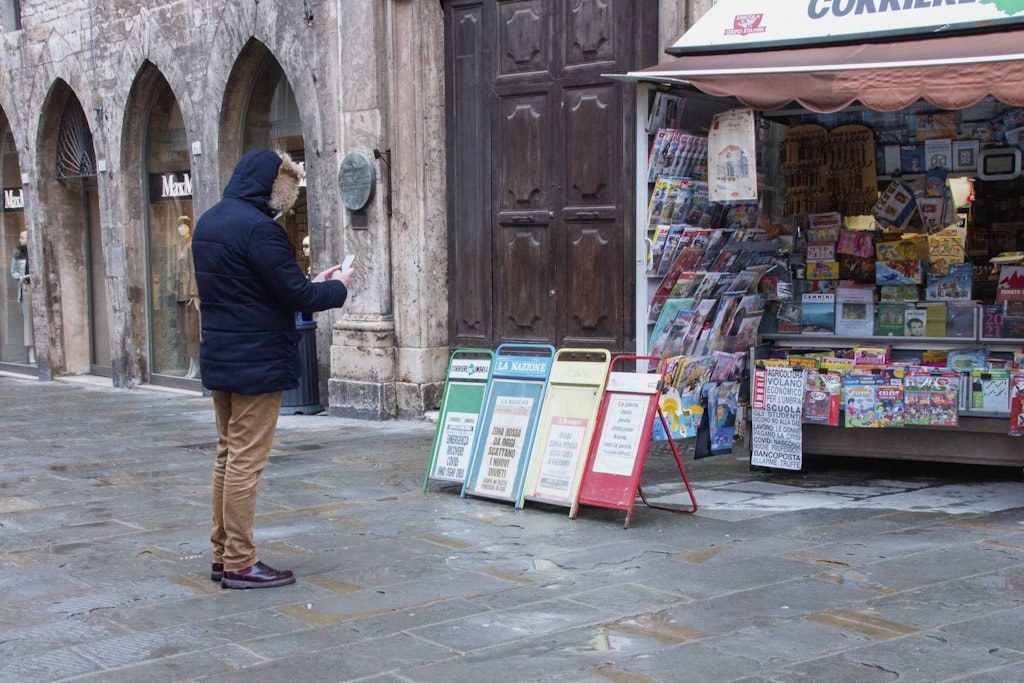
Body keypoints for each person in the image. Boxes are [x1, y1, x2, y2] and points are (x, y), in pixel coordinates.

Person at [192, 149, 354, 589]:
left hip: (222, 357)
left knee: (227, 457)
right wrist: (336, 287)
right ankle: (241, 562)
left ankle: (222, 554)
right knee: (245, 462)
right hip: (256, 362)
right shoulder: (260, 230)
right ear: (270, 186)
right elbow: (296, 296)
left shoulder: (209, 222)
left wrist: (311, 284)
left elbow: (263, 289)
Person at [174, 216, 200, 378]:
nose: (182, 229)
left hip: (190, 295)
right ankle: (191, 364)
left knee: (192, 331)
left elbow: (194, 269)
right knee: (184, 331)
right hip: (181, 294)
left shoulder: (191, 246)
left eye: (185, 226)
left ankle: (196, 364)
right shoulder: (179, 246)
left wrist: (194, 292)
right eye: (180, 226)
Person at [10, 230, 35, 364]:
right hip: (26, 288)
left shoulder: (36, 251)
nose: (20, 240)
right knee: (28, 322)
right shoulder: (18, 253)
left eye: (22, 237)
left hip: (37, 287)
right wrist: (21, 277)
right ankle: (31, 352)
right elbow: (13, 271)